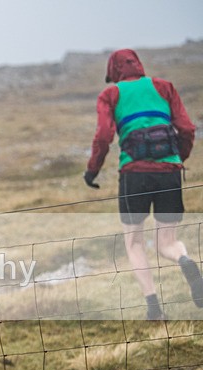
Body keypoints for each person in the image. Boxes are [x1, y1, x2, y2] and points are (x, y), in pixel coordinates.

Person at [83, 49, 198, 320]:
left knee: (134, 242)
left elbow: (103, 136)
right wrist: (176, 159)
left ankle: (153, 308)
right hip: (169, 171)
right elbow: (187, 129)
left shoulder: (111, 94)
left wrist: (92, 171)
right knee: (167, 242)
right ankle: (184, 260)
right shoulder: (164, 87)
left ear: (113, 71)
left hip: (134, 174)